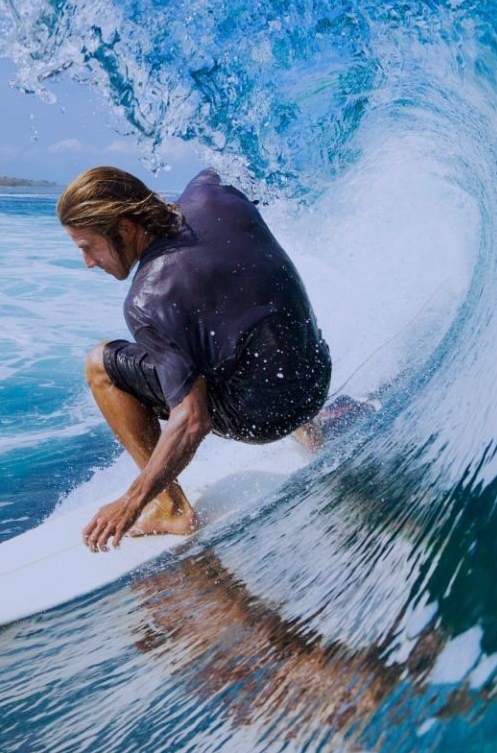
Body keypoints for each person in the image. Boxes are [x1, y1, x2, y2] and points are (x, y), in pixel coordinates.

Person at [59, 166, 331, 551]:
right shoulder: (213, 191)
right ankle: (312, 429)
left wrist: (130, 502)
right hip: (315, 379)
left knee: (99, 364)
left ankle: (170, 508)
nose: (88, 261)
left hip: (264, 419)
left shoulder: (147, 299)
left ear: (123, 228)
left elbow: (192, 419)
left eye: (88, 246)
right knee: (235, 312)